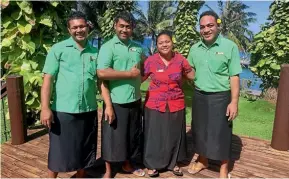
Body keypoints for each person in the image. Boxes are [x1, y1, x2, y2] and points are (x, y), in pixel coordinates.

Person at [40, 11, 99, 178]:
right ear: (69, 30)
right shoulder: (58, 49)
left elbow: (101, 80)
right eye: (75, 27)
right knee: (58, 150)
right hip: (63, 109)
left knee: (85, 148)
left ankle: (80, 175)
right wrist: (45, 108)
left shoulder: (95, 52)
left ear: (87, 27)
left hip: (88, 108)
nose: (79, 30)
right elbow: (48, 81)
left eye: (82, 26)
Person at [187, 11, 242, 178]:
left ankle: (224, 168)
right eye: (202, 27)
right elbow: (190, 71)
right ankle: (203, 160)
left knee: (221, 133)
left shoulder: (229, 47)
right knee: (200, 131)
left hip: (221, 97)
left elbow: (234, 76)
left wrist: (234, 102)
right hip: (199, 96)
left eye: (210, 25)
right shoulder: (195, 48)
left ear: (218, 26)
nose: (206, 30)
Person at [97, 12, 145, 178]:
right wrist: (108, 106)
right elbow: (102, 74)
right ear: (115, 26)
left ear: (133, 28)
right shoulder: (108, 47)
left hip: (135, 99)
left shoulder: (138, 47)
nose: (125, 29)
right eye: (121, 26)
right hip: (116, 101)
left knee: (131, 136)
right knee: (112, 138)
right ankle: (108, 171)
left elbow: (144, 68)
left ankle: (126, 164)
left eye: (128, 27)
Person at [142, 30, 195, 177]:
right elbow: (140, 78)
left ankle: (174, 163)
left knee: (174, 134)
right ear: (157, 45)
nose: (164, 44)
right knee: (154, 135)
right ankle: (151, 165)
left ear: (172, 42)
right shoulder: (151, 61)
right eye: (160, 43)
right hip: (154, 103)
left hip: (176, 102)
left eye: (167, 41)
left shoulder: (180, 60)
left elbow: (191, 75)